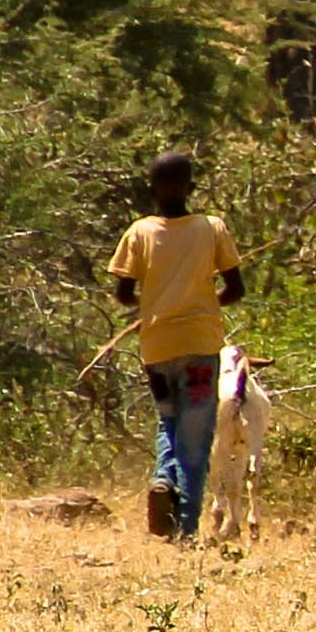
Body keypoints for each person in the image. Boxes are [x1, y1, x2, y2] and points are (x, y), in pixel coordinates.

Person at [109, 154, 243, 542]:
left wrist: (157, 304)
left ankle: (164, 479)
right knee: (197, 439)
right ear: (192, 189)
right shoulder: (212, 228)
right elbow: (236, 289)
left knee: (168, 421)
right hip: (200, 345)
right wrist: (200, 301)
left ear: (150, 191)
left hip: (157, 347)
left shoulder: (139, 232)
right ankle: (186, 527)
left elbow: (122, 293)